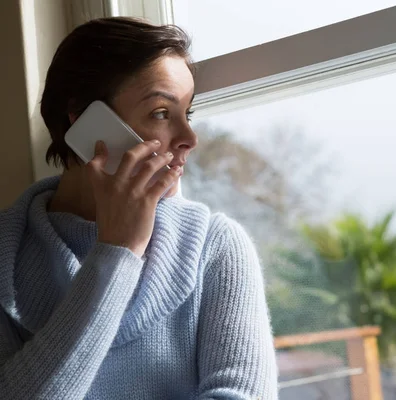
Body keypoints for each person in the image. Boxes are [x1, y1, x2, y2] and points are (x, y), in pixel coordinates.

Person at [0, 17, 278, 399]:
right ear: (86, 124)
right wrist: (117, 252)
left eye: (188, 113)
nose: (189, 139)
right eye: (162, 113)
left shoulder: (215, 247)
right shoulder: (5, 256)